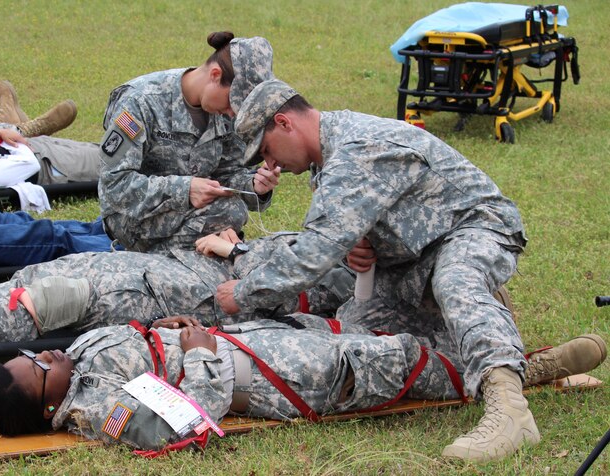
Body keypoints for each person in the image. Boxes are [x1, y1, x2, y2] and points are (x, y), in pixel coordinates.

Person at [217, 78, 544, 462]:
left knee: (456, 279)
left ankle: (510, 412)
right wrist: (361, 248)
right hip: (413, 263)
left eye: (267, 151)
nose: (271, 165)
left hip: (472, 229)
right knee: (359, 330)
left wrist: (243, 293)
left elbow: (314, 251)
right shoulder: (328, 156)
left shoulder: (356, 150)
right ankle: (521, 364)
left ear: (285, 122)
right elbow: (356, 230)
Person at [0, 316, 605, 453]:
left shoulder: (76, 367)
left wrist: (160, 331)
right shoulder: (97, 410)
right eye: (39, 367)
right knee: (402, 362)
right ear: (49, 403)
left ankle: (506, 353)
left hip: (256, 337)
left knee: (378, 326)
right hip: (276, 377)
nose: (46, 354)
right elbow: (185, 420)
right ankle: (525, 371)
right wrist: (195, 355)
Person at [0, 231, 358, 351]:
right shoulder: (332, 238)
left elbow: (280, 292)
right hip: (157, 266)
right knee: (33, 280)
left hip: (171, 296)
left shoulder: (345, 280)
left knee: (50, 303)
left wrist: (234, 254)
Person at [97, 32, 280, 254]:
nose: (233, 113)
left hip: (193, 213)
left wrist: (253, 186)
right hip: (132, 216)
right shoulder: (139, 101)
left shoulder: (224, 111)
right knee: (228, 215)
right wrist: (184, 190)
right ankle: (158, 260)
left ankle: (198, 256)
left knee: (231, 213)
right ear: (215, 74)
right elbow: (114, 185)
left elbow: (227, 172)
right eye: (233, 103)